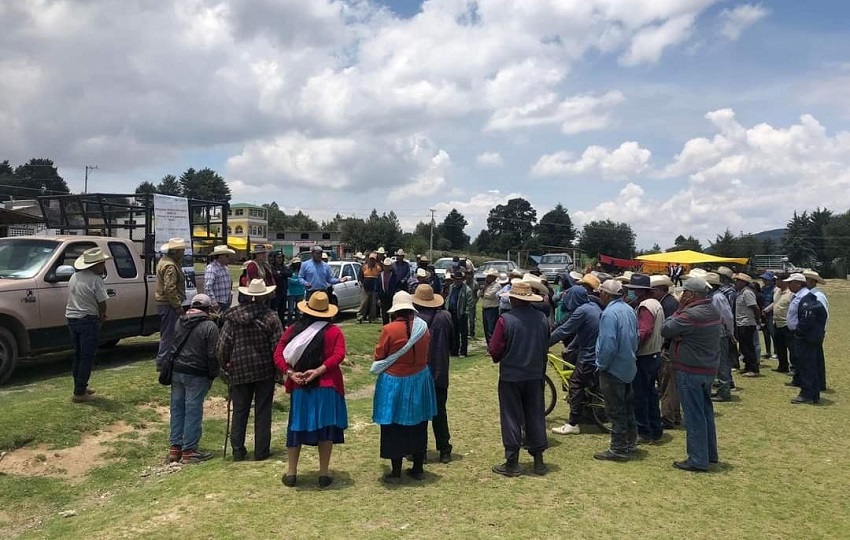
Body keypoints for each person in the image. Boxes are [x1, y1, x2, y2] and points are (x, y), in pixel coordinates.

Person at [274, 291, 348, 488]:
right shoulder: (334, 332)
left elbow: (278, 355)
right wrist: (318, 371)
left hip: (300, 385)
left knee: (296, 427)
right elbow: (339, 355)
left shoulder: (292, 331)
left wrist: (290, 373)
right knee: (325, 428)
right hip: (327, 386)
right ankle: (323, 474)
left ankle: (291, 473)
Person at [371, 291, 437, 484]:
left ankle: (396, 470)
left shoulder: (389, 330)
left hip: (395, 380)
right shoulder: (424, 329)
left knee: (393, 424)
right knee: (418, 423)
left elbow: (379, 355)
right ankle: (417, 467)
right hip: (420, 378)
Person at [216, 278, 283, 461]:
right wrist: (279, 372)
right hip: (264, 371)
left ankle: (237, 450)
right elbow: (278, 347)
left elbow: (222, 346)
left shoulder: (232, 319)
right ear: (265, 296)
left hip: (239, 370)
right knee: (263, 411)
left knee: (239, 411)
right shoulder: (270, 317)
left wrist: (225, 366)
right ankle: (261, 451)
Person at [488, 281, 550, 477]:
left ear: (513, 299)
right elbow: (545, 343)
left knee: (511, 417)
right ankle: (538, 460)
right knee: (536, 414)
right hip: (535, 374)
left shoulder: (505, 320)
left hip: (511, 376)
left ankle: (512, 462)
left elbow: (495, 349)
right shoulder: (542, 318)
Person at [660, 276, 721, 472]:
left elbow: (666, 329)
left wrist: (678, 311)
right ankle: (710, 454)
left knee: (694, 416)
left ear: (691, 294)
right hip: (708, 368)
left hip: (690, 369)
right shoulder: (712, 310)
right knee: (705, 413)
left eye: (684, 293)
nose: (682, 296)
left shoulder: (690, 314)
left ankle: (697, 459)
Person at [168, 293, 220, 464]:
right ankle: (189, 450)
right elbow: (213, 355)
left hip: (177, 370)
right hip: (197, 373)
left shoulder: (179, 321)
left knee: (177, 409)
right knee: (193, 410)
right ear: (207, 308)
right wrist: (213, 375)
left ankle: (175, 448)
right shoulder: (210, 326)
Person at [593, 279, 638, 462]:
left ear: (605, 294)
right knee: (627, 408)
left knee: (615, 410)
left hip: (613, 367)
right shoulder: (628, 309)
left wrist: (601, 364)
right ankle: (630, 442)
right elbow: (636, 337)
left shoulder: (609, 314)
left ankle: (618, 448)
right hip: (628, 365)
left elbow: (608, 344)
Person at [548, 284, 602, 435]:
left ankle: (573, 423)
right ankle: (588, 414)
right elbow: (581, 333)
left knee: (575, 384)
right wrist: (571, 347)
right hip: (595, 353)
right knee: (587, 384)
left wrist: (543, 343)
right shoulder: (592, 306)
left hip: (588, 356)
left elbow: (564, 330)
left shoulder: (581, 311)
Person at [412, 284, 454, 463]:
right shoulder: (445, 317)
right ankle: (444, 449)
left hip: (419, 372)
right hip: (440, 369)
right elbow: (452, 342)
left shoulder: (414, 321)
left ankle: (418, 450)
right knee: (440, 412)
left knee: (418, 414)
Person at [622, 274, 664, 444]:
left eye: (633, 289)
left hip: (645, 355)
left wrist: (634, 347)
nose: (631, 291)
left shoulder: (645, 306)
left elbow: (644, 331)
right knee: (651, 394)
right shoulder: (656, 304)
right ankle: (655, 428)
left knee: (640, 396)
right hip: (655, 353)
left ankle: (644, 431)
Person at [65, 247, 111, 403]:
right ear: (96, 264)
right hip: (88, 320)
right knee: (87, 356)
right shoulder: (96, 280)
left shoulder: (74, 277)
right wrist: (103, 315)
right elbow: (102, 302)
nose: (104, 265)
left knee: (78, 354)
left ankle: (79, 386)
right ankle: (79, 391)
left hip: (72, 318)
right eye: (102, 263)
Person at [785, 273, 825, 403]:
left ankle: (807, 394)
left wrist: (799, 331)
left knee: (806, 365)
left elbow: (806, 320)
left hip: (804, 338)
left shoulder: (806, 298)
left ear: (798, 283)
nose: (788, 285)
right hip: (803, 336)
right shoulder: (802, 296)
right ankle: (812, 393)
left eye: (791, 283)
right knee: (806, 365)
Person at [651, 275, 681, 429]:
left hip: (668, 348)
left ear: (661, 290)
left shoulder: (668, 305)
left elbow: (669, 329)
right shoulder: (670, 302)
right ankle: (674, 414)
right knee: (671, 384)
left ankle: (667, 416)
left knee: (666, 384)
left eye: (653, 290)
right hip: (672, 348)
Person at [156, 238, 187, 371]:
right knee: (169, 334)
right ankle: (163, 363)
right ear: (176, 252)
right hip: (168, 304)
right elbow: (170, 288)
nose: (184, 253)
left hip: (165, 303)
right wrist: (177, 305)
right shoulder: (170, 266)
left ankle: (165, 361)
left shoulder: (165, 262)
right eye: (182, 250)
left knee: (168, 333)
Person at [705, 273, 735, 402]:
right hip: (715, 333)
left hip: (720, 334)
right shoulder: (713, 296)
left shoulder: (717, 298)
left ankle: (724, 391)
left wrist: (731, 332)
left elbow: (727, 316)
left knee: (721, 362)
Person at [802, 269, 829, 390]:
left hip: (816, 332)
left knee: (816, 359)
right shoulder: (811, 295)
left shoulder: (818, 296)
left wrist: (820, 331)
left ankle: (820, 383)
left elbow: (824, 315)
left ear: (811, 281)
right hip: (814, 332)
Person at [733, 273, 763, 376]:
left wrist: (758, 320)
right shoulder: (740, 292)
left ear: (743, 282)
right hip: (741, 323)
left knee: (749, 346)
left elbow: (755, 308)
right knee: (744, 347)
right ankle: (747, 366)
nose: (735, 283)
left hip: (747, 323)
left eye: (738, 281)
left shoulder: (747, 293)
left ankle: (753, 369)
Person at [764, 274, 792, 373]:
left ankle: (794, 368)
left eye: (778, 280)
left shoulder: (791, 293)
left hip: (787, 324)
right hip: (777, 322)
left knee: (791, 347)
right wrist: (766, 310)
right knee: (780, 346)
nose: (776, 282)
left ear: (784, 281)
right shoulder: (777, 292)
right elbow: (775, 303)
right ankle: (783, 366)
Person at [445, 271, 473, 357]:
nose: (457, 281)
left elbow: (470, 303)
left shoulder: (467, 290)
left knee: (463, 334)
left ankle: (463, 351)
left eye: (459, 279)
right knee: (454, 333)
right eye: (455, 279)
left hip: (461, 314)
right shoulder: (451, 287)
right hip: (451, 312)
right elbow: (449, 298)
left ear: (462, 280)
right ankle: (454, 350)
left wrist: (466, 313)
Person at [203, 245, 235, 312]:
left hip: (226, 302)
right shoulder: (211, 268)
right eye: (227, 256)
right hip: (218, 303)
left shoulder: (225, 268)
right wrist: (214, 302)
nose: (228, 258)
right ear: (220, 256)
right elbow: (208, 287)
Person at [375, 257, 402, 325]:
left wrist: (396, 295)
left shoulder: (394, 276)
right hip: (383, 298)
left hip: (393, 298)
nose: (386, 267)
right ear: (383, 266)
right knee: (385, 316)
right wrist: (378, 298)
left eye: (388, 266)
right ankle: (386, 330)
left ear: (390, 267)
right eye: (385, 266)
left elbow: (398, 287)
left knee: (393, 315)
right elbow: (376, 288)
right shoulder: (379, 276)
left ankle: (393, 330)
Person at [357, 252, 381, 323]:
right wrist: (360, 282)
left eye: (373, 259)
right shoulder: (364, 266)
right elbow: (360, 277)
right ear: (368, 259)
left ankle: (372, 318)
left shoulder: (378, 267)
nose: (371, 261)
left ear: (375, 260)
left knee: (373, 304)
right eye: (370, 259)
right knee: (363, 303)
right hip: (365, 287)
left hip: (374, 288)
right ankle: (360, 317)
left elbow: (379, 278)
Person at [480, 269, 502, 346]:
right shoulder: (487, 285)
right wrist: (484, 288)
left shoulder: (497, 285)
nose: (487, 278)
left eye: (489, 276)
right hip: (485, 309)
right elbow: (479, 294)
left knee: (491, 329)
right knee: (486, 329)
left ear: (493, 277)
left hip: (492, 309)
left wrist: (484, 292)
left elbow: (489, 295)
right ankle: (489, 345)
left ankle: (492, 346)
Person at [759, 272, 776, 360]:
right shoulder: (763, 289)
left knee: (773, 333)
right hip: (763, 314)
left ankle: (776, 352)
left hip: (771, 314)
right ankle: (768, 351)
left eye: (766, 279)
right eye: (763, 279)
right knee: (766, 333)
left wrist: (767, 309)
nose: (764, 281)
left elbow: (775, 301)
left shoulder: (775, 289)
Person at [269, 251, 290, 322]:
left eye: (281, 257)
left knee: (282, 311)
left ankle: (282, 325)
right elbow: (276, 276)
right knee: (274, 310)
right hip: (276, 293)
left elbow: (289, 273)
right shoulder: (272, 267)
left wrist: (281, 273)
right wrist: (282, 274)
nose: (280, 259)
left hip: (283, 292)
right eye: (278, 257)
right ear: (274, 258)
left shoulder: (283, 266)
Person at [286, 260, 306, 325]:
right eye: (296, 263)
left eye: (298, 263)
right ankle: (289, 324)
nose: (297, 265)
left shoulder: (302, 272)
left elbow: (303, 280)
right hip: (291, 293)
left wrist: (296, 281)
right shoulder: (289, 272)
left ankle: (297, 324)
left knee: (298, 311)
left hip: (300, 293)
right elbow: (289, 281)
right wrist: (298, 281)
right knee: (290, 311)